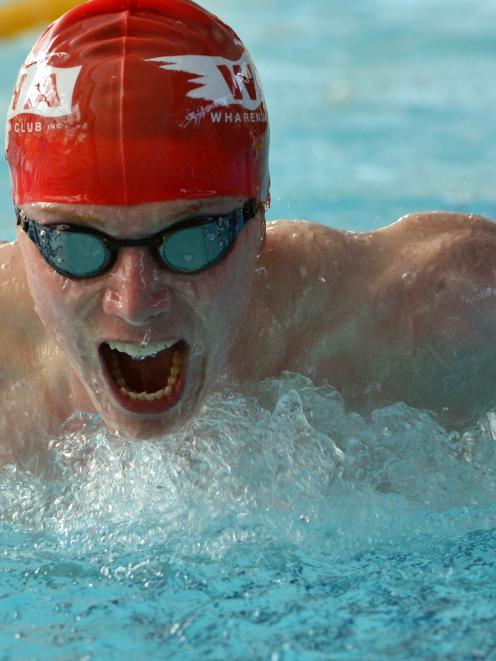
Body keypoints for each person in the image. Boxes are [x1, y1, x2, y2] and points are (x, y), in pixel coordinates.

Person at [1, 0, 496, 465]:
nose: (135, 301)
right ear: (22, 231)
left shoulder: (442, 316)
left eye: (191, 241)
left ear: (259, 217)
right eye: (77, 246)